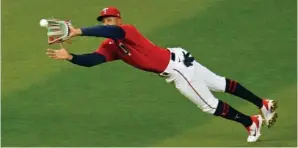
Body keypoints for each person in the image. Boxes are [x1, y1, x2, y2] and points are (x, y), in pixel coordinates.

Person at [46, 7, 278, 142]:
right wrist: (71, 57)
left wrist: (78, 31)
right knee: (219, 83)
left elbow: (110, 31)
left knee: (209, 104)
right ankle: (263, 104)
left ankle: (252, 122)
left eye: (110, 18)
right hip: (177, 56)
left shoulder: (126, 30)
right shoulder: (110, 46)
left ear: (118, 20)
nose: (107, 22)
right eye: (104, 19)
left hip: (176, 68)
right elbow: (94, 60)